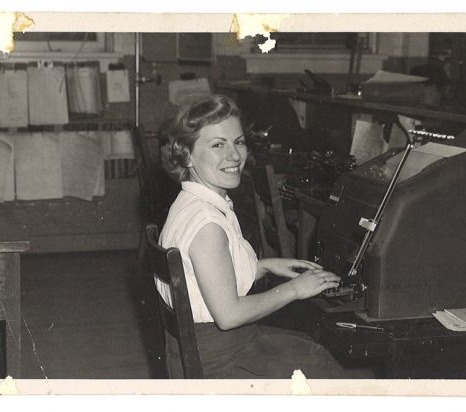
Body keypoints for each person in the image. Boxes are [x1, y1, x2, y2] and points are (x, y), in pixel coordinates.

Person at [157, 94, 369, 379]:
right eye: (218, 145)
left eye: (239, 142)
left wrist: (266, 266)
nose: (234, 156)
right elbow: (229, 315)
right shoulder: (207, 224)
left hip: (198, 348)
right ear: (186, 155)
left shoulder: (193, 202)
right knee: (332, 372)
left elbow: (206, 279)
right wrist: (294, 290)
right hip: (218, 361)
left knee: (313, 352)